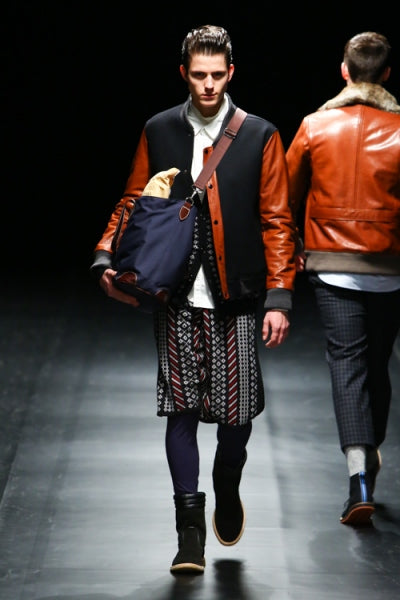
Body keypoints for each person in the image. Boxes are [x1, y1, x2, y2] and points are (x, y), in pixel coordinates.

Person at [90, 25, 296, 572]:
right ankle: (189, 532)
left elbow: (278, 219)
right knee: (180, 408)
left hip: (237, 294)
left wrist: (280, 295)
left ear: (231, 73)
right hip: (175, 293)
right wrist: (106, 254)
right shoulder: (159, 128)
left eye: (217, 75)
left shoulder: (260, 134)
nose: (208, 84)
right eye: (199, 74)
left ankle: (227, 479)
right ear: (184, 73)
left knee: (237, 412)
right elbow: (133, 200)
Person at [286, 31, 400, 526]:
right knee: (377, 367)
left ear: (344, 71)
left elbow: (285, 198)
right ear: (387, 75)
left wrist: (292, 250)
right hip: (390, 269)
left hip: (332, 266)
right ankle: (368, 459)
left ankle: (358, 479)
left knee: (348, 367)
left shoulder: (315, 126)